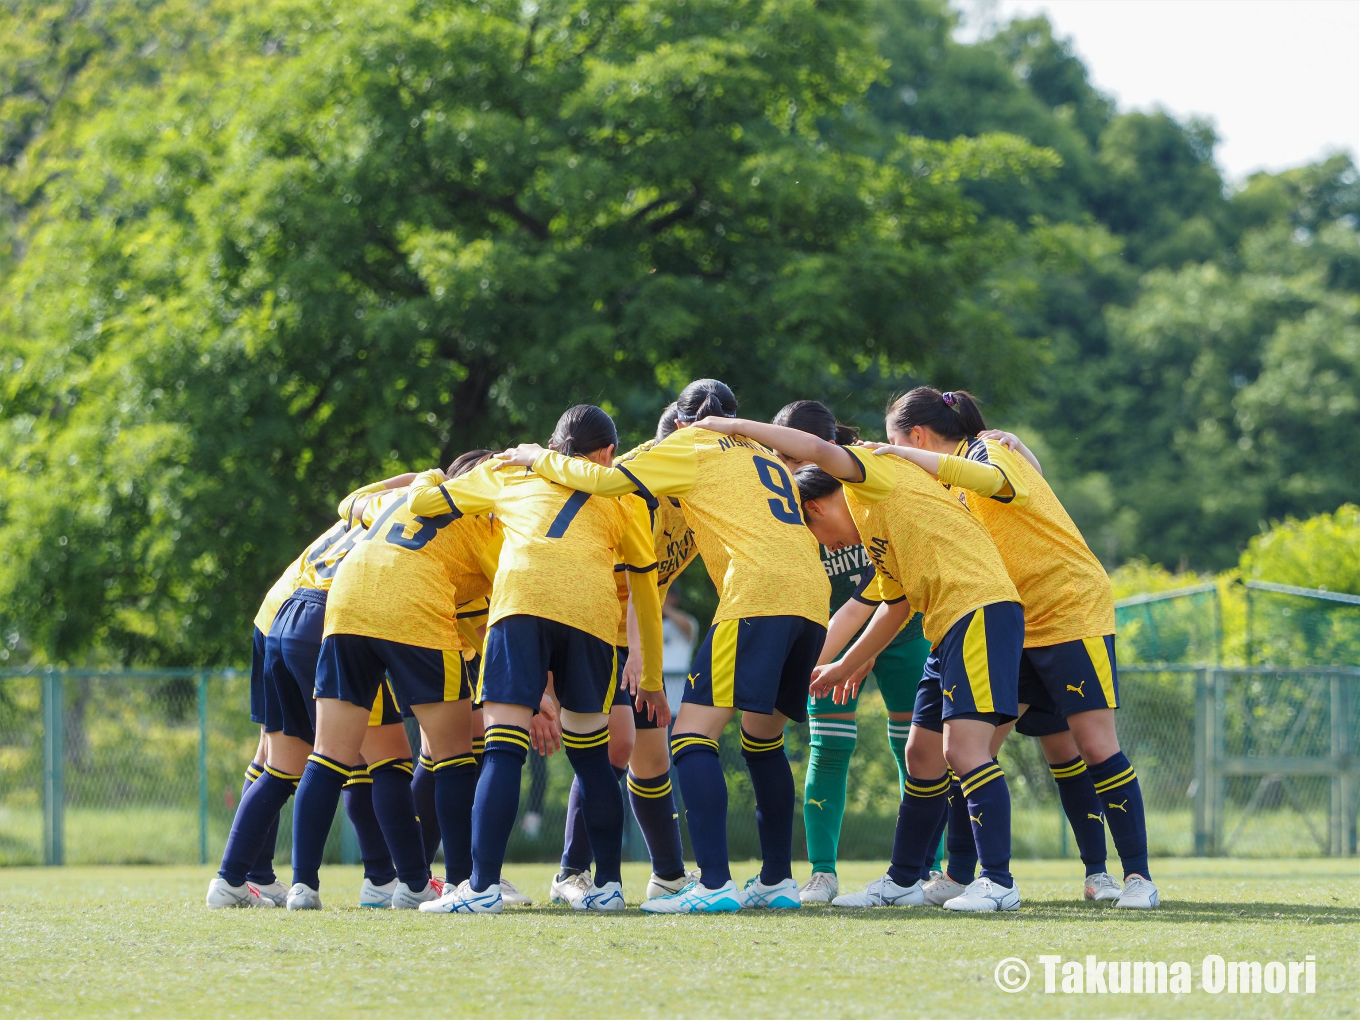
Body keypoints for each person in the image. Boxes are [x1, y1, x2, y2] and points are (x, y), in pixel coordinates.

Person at [501, 380, 830, 914]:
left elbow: (644, 575)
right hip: (598, 621)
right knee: (633, 749)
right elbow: (599, 491)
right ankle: (585, 873)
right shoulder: (740, 458)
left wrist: (645, 660)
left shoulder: (695, 470)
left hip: (686, 616)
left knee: (666, 746)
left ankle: (690, 879)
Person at [686, 412, 1025, 913]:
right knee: (922, 754)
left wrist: (732, 424)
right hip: (945, 624)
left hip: (978, 608)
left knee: (965, 751)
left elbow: (816, 449)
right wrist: (846, 665)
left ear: (816, 503)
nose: (829, 546)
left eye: (815, 529)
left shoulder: (868, 474)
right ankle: (904, 879)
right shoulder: (875, 528)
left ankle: (998, 882)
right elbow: (894, 604)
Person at [863, 388, 1158, 909]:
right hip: (1012, 617)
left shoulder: (982, 451)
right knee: (970, 748)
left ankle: (1137, 878)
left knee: (1093, 745)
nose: (893, 453)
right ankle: (960, 874)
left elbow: (1004, 482)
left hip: (1069, 610)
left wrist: (908, 457)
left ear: (916, 436)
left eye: (895, 442)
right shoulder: (949, 482)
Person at [411, 405, 665, 914]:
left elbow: (423, 501)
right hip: (592, 619)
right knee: (593, 760)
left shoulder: (509, 477)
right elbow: (645, 584)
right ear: (608, 452)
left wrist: (476, 470)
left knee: (504, 752)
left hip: (521, 605)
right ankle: (610, 887)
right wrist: (651, 671)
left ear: (551, 445)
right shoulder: (622, 493)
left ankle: (481, 889)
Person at [284, 455, 504, 910]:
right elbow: (506, 592)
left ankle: (302, 886)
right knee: (454, 757)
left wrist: (419, 477)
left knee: (328, 757)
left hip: (346, 604)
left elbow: (352, 502)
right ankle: (463, 884)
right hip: (415, 609)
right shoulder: (487, 525)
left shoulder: (406, 496)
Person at [207, 472, 416, 909]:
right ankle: (396, 879)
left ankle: (241, 876)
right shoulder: (411, 521)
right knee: (383, 756)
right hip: (332, 621)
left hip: (277, 615)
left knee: (280, 761)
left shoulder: (364, 507)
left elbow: (357, 496)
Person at [765, 401, 935, 905]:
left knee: (920, 753)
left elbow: (873, 597)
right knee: (829, 749)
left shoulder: (864, 485)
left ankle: (931, 867)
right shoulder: (787, 499)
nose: (781, 461)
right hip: (832, 644)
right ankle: (822, 872)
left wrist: (844, 658)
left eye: (786, 452)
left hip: (898, 636)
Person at [550, 404, 702, 907]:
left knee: (652, 756)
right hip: (600, 631)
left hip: (639, 638)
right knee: (614, 748)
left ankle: (668, 876)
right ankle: (572, 871)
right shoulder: (629, 485)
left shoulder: (705, 496)